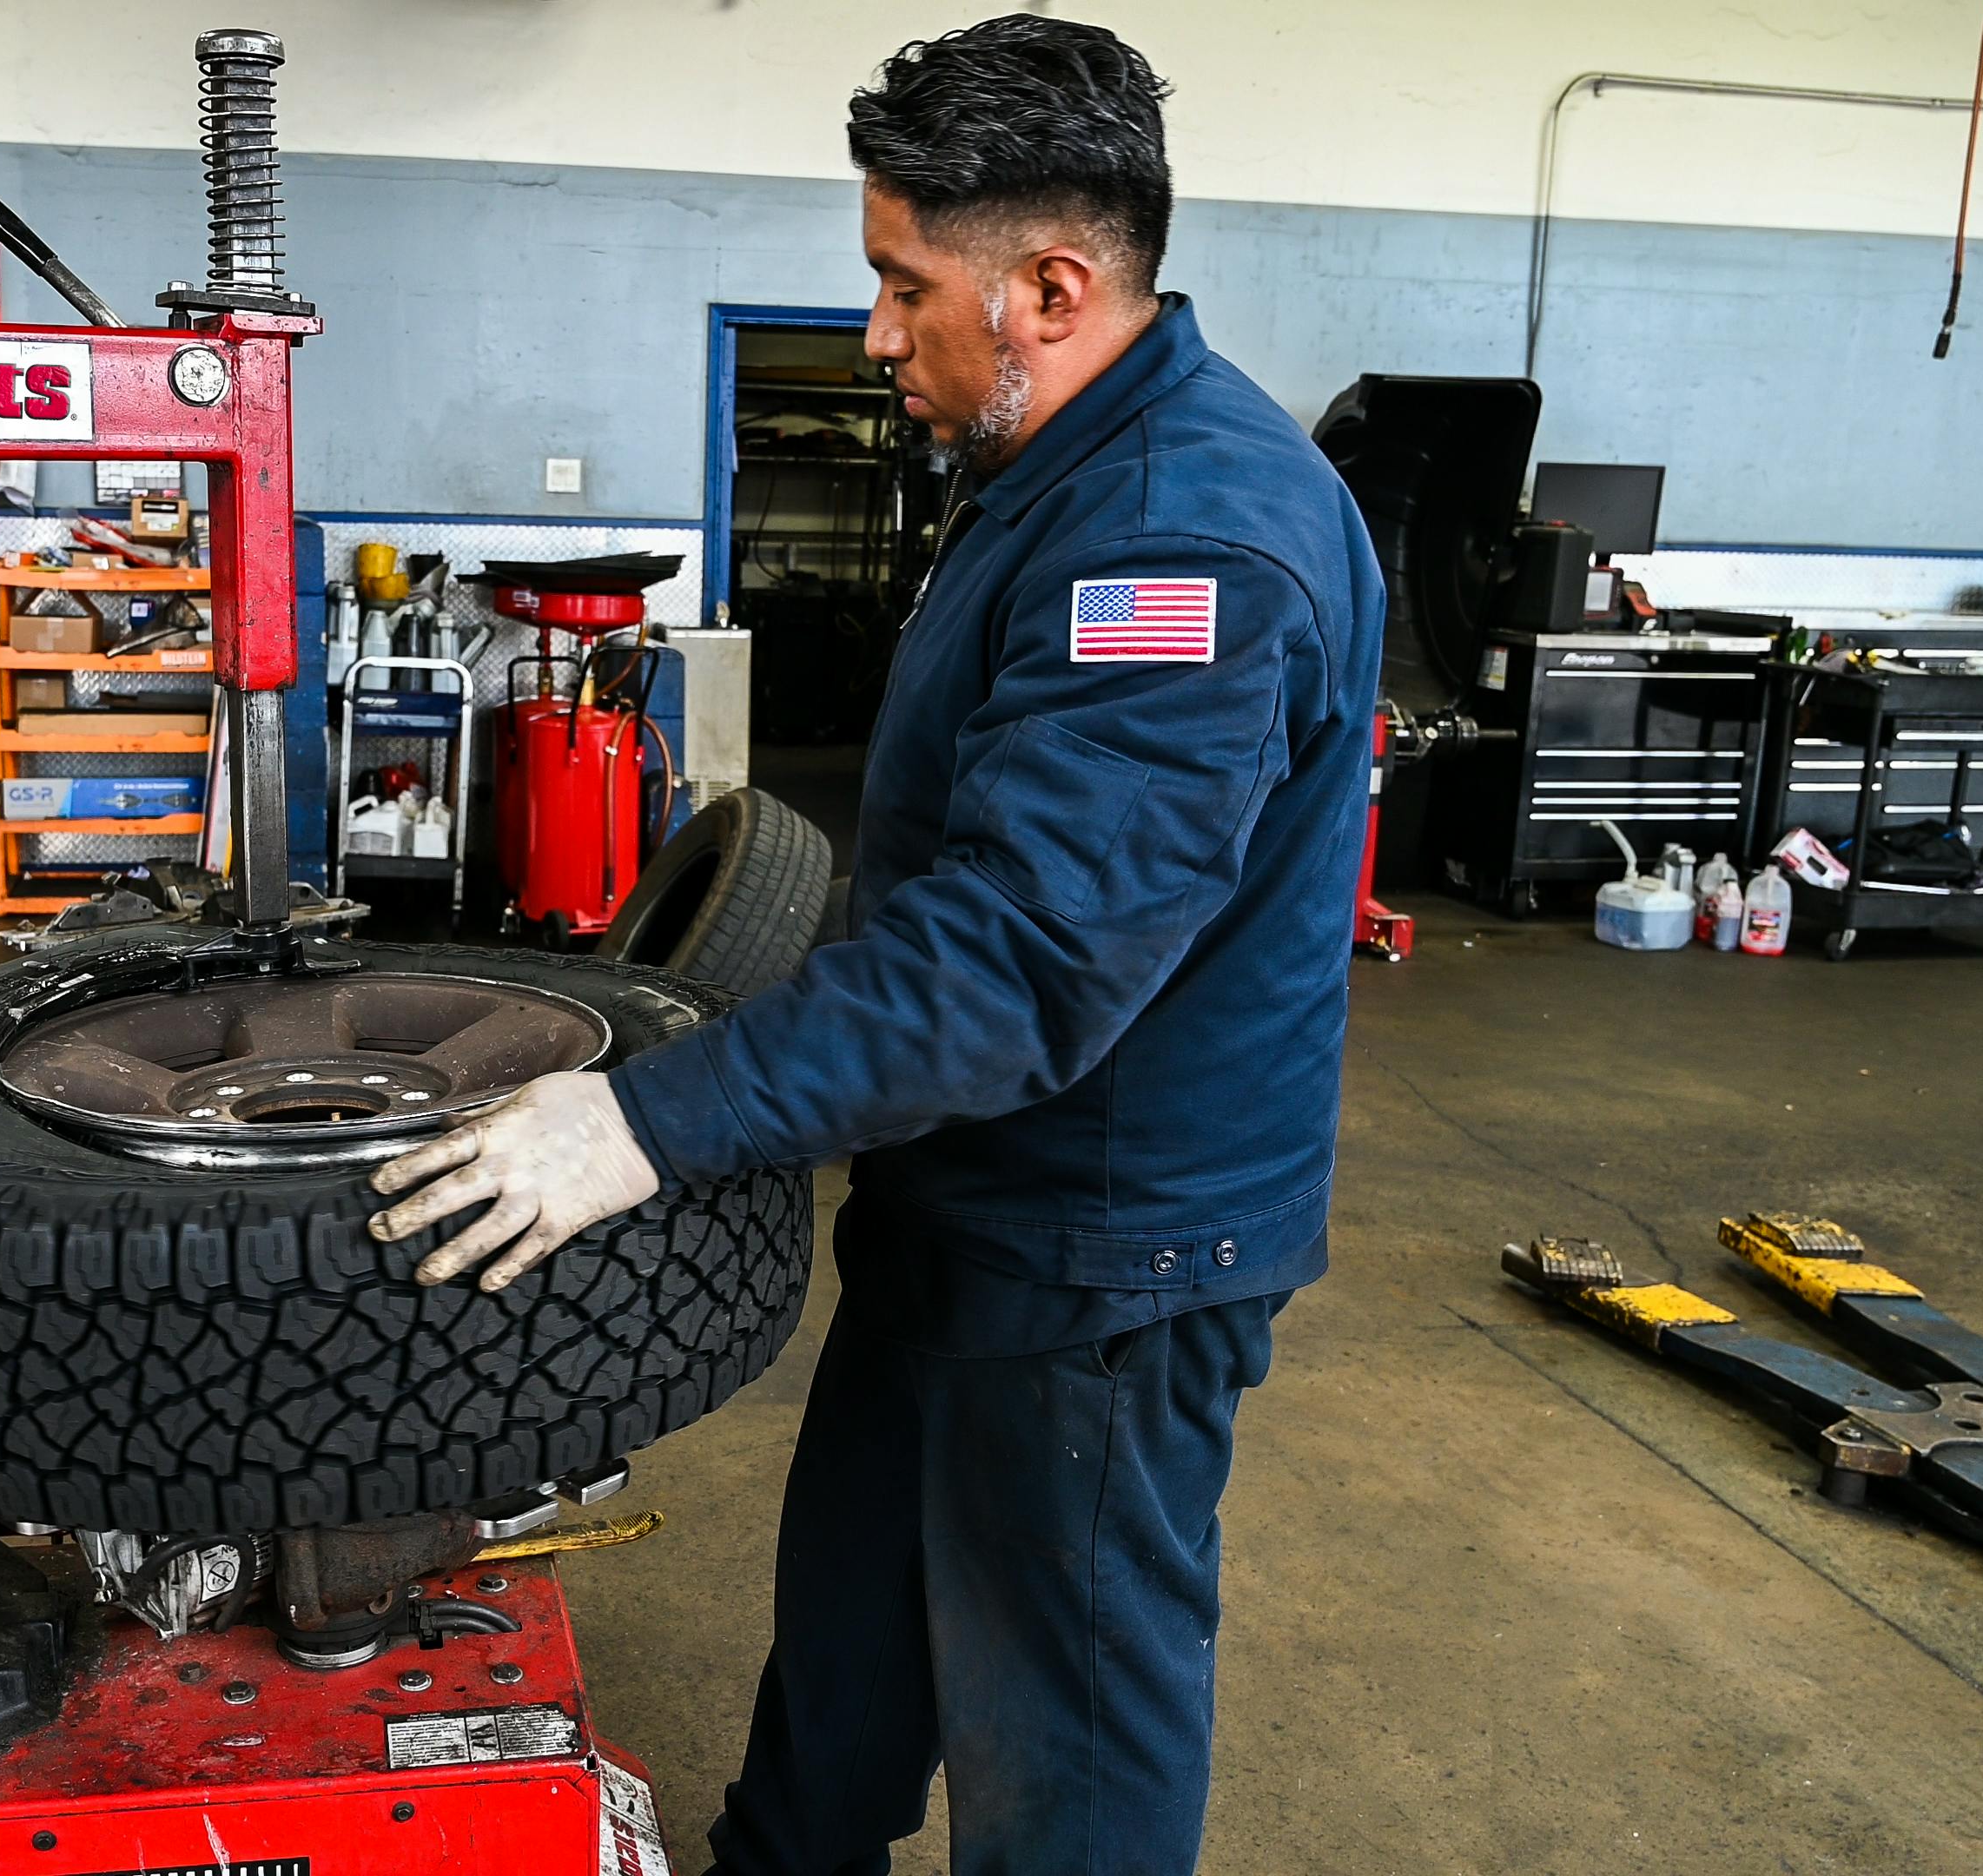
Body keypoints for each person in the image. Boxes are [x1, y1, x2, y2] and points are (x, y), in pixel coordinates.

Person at [367, 16, 1383, 1872]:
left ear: (1055, 288)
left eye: (905, 289)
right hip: (965, 1208)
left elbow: (1020, 961)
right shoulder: (1059, 483)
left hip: (1104, 1259)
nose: (875, 335)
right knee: (853, 1645)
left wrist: (644, 1128)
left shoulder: (1185, 547)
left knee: (1064, 1728)